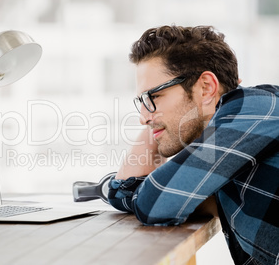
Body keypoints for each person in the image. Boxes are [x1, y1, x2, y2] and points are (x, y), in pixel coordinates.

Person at [107, 25, 279, 265]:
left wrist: (156, 124)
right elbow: (141, 193)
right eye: (142, 101)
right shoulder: (228, 160)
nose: (142, 117)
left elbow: (155, 202)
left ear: (206, 87)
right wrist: (155, 120)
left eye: (154, 97)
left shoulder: (258, 107)